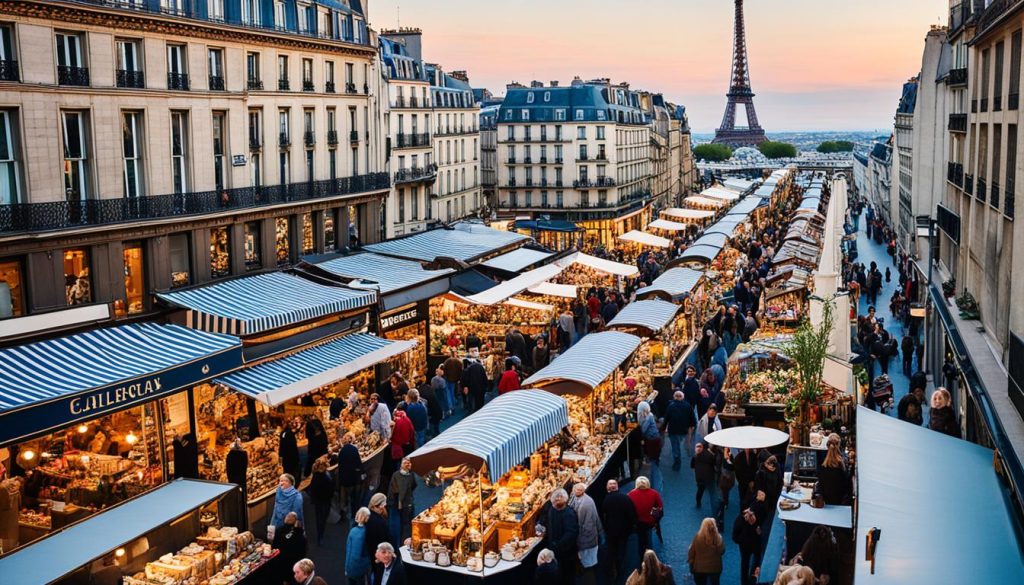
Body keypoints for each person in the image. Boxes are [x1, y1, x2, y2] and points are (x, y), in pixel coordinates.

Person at [537, 488, 578, 585]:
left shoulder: (569, 514)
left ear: (565, 500)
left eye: (560, 497)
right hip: (554, 549)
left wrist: (558, 544)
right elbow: (547, 522)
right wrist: (541, 527)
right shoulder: (552, 509)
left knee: (567, 575)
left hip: (566, 552)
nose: (557, 499)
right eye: (556, 498)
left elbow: (571, 533)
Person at [602, 479, 637, 580]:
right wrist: (632, 527)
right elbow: (632, 514)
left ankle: (611, 570)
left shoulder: (606, 500)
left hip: (611, 531)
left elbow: (604, 516)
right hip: (624, 530)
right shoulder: (625, 498)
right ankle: (620, 567)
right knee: (622, 548)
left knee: (612, 549)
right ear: (617, 487)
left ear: (608, 488)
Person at [569, 483, 602, 585]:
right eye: (576, 490)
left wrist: (580, 540)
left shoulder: (587, 503)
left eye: (579, 490)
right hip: (586, 539)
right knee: (586, 563)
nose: (577, 492)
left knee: (588, 566)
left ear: (583, 491)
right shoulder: (576, 498)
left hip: (587, 540)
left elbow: (588, 525)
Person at [628, 476, 664, 557]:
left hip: (638, 522)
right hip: (650, 521)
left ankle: (641, 558)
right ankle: (650, 557)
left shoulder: (631, 494)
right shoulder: (654, 493)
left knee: (641, 541)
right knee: (648, 539)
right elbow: (660, 507)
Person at [335, 432, 363, 523]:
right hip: (354, 479)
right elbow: (359, 464)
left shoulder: (341, 451)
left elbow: (340, 465)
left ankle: (345, 515)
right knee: (355, 499)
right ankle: (355, 516)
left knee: (344, 498)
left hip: (344, 480)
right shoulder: (354, 450)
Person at [665, 391, 697, 470]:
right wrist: (692, 427)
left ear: (674, 397)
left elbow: (666, 419)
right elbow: (693, 419)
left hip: (673, 430)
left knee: (675, 446)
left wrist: (663, 428)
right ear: (683, 397)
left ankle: (677, 462)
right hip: (683, 429)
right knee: (681, 444)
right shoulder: (687, 406)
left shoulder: (670, 406)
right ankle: (682, 457)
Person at [687, 517, 725, 585]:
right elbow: (722, 551)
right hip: (715, 568)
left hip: (700, 568)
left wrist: (691, 564)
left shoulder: (698, 537)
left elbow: (691, 552)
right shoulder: (718, 538)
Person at [732, 506, 763, 585]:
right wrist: (742, 540)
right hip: (746, 547)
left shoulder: (757, 518)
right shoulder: (740, 521)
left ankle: (751, 579)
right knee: (746, 564)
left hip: (753, 546)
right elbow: (735, 537)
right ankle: (746, 581)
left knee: (752, 563)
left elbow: (760, 532)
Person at [387, 458, 417, 543]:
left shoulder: (396, 475)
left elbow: (393, 490)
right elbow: (413, 485)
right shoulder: (410, 475)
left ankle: (401, 543)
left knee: (399, 526)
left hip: (400, 505)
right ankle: (404, 544)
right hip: (405, 504)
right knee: (406, 525)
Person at [272, 512, 306, 585]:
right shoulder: (300, 535)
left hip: (281, 564)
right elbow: (303, 552)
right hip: (293, 566)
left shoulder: (279, 531)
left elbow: (274, 547)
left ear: (285, 520)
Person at [815, 442, 852, 506]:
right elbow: (848, 488)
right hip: (840, 504)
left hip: (826, 504)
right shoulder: (841, 469)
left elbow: (820, 487)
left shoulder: (822, 468)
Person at [307, 458, 333, 546]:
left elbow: (313, 489)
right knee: (323, 518)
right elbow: (331, 489)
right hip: (325, 500)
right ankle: (320, 535)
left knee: (320, 518)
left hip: (319, 500)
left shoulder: (316, 476)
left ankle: (320, 535)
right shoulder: (326, 475)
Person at [344, 508, 372, 585]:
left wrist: (346, 567)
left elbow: (348, 550)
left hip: (350, 567)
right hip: (361, 570)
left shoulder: (352, 531)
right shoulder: (367, 533)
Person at [692, 442, 717, 509]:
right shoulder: (710, 455)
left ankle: (698, 503)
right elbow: (714, 464)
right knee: (712, 492)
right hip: (709, 476)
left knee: (700, 490)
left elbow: (692, 465)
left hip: (700, 477)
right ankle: (714, 508)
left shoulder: (696, 455)